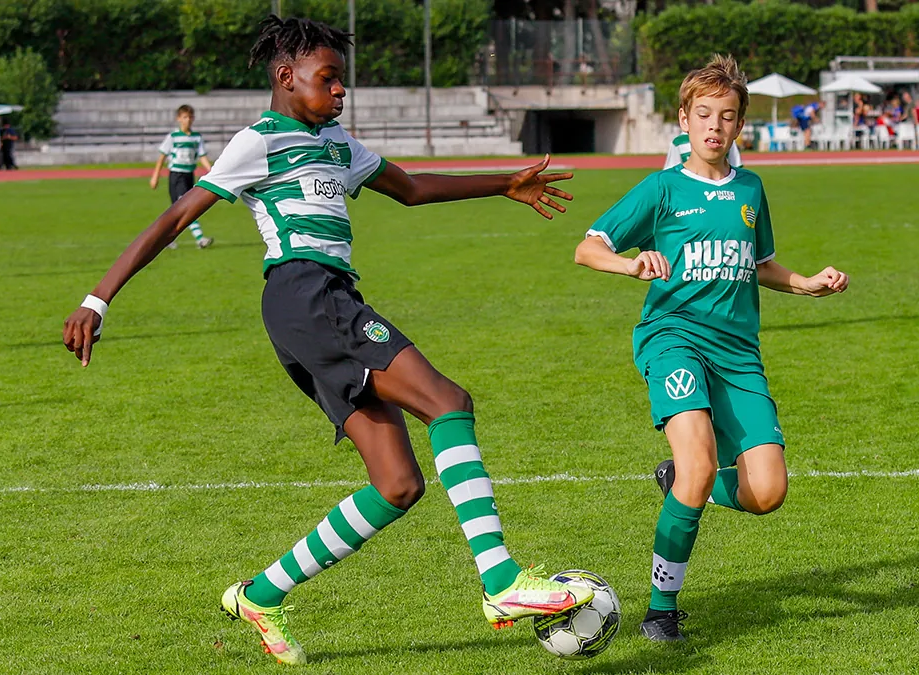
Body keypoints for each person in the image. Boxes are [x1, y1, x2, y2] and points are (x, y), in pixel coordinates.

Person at [62, 16, 593, 666]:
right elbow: (177, 215)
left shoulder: (337, 142)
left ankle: (260, 593)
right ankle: (502, 582)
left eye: (342, 80)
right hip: (306, 295)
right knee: (448, 402)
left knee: (397, 483)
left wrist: (502, 183)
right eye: (329, 79)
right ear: (287, 79)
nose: (341, 91)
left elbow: (413, 188)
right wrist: (97, 297)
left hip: (325, 303)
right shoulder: (257, 142)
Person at [573, 54, 849, 642]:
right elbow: (587, 247)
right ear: (683, 119)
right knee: (699, 467)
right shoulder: (663, 188)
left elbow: (762, 262)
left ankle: (679, 479)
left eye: (726, 117)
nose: (714, 127)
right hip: (673, 339)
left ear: (739, 125)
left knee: (767, 492)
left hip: (738, 354)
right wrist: (631, 263)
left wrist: (805, 284)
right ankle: (660, 610)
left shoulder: (751, 188)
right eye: (703, 115)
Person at [150, 105, 213, 249]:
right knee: (185, 206)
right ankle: (200, 239)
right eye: (185, 117)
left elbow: (202, 156)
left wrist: (210, 170)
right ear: (178, 119)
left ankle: (165, 239)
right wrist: (155, 176)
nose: (188, 120)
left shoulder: (197, 137)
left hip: (189, 175)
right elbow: (161, 158)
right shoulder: (173, 137)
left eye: (190, 117)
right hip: (176, 176)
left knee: (177, 210)